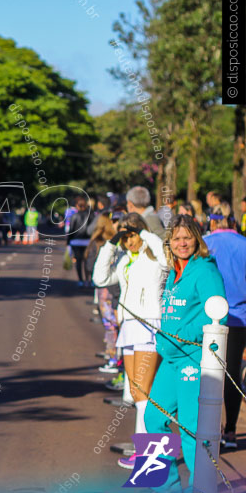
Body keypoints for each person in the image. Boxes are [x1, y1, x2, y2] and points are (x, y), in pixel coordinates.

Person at [145, 215, 227, 492]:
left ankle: (200, 492)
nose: (182, 243)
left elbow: (216, 314)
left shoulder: (204, 270)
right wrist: (164, 339)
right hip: (171, 359)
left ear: (197, 239)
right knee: (153, 418)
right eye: (177, 238)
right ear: (169, 241)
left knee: (193, 428)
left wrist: (181, 336)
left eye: (187, 237)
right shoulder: (175, 271)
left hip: (193, 358)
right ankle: (163, 490)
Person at [93, 213, 167, 469]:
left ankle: (148, 454)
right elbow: (100, 279)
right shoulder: (125, 259)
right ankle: (144, 450)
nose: (129, 241)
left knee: (143, 390)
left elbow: (166, 257)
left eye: (132, 235)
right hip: (130, 327)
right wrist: (111, 244)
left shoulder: (154, 256)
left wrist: (144, 233)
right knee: (137, 391)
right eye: (126, 238)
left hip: (149, 324)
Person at [204, 204, 246, 450]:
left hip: (210, 319)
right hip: (241, 317)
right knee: (231, 374)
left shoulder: (205, 244)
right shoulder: (243, 243)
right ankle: (230, 430)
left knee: (211, 372)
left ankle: (210, 428)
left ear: (211, 221)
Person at [87, 211, 120, 371]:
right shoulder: (120, 242)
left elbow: (89, 266)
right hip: (117, 288)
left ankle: (113, 359)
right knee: (117, 325)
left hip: (104, 289)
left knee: (110, 326)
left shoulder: (99, 242)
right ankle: (116, 358)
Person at [67, 196, 92, 287]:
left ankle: (80, 280)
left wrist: (68, 242)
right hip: (88, 241)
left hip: (76, 241)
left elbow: (71, 230)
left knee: (78, 261)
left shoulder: (74, 216)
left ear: (77, 206)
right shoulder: (90, 215)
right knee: (87, 261)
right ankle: (88, 280)